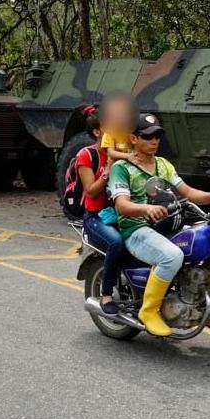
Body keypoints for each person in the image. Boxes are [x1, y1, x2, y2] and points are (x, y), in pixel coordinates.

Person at [109, 113, 210, 336]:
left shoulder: (163, 165)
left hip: (167, 224)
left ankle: (198, 305)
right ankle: (148, 311)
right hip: (136, 228)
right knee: (172, 256)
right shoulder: (121, 168)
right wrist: (147, 208)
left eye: (157, 136)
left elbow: (187, 192)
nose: (154, 141)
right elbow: (122, 205)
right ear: (134, 139)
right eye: (148, 136)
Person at [74, 107, 123, 314]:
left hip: (121, 213)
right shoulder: (86, 155)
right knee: (116, 242)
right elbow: (91, 192)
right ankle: (106, 294)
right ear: (97, 132)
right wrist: (108, 170)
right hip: (96, 217)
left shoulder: (122, 150)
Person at [99, 92, 140, 166]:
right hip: (117, 166)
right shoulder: (109, 132)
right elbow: (111, 153)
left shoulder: (133, 130)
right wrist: (128, 156)